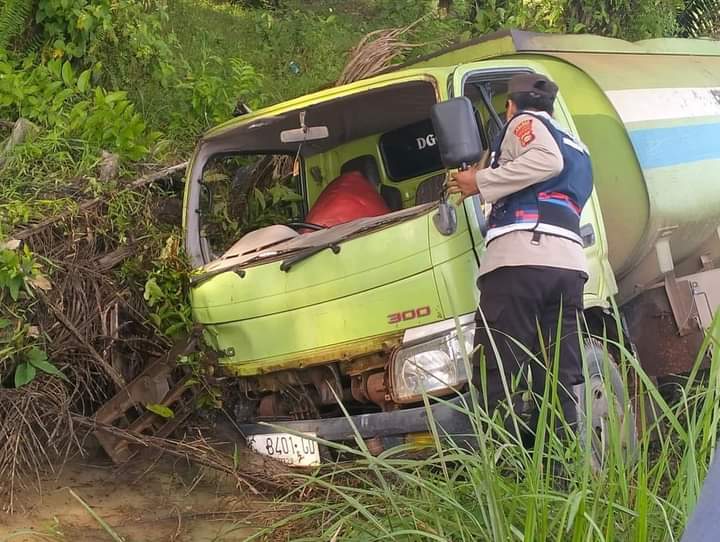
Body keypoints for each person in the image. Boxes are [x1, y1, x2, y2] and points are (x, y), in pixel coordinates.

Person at [448, 73, 593, 439]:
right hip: (568, 268)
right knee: (558, 374)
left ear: (510, 105)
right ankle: (559, 474)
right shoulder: (577, 144)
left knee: (500, 370)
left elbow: (546, 161)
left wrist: (479, 182)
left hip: (521, 261)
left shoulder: (523, 123)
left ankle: (509, 473)